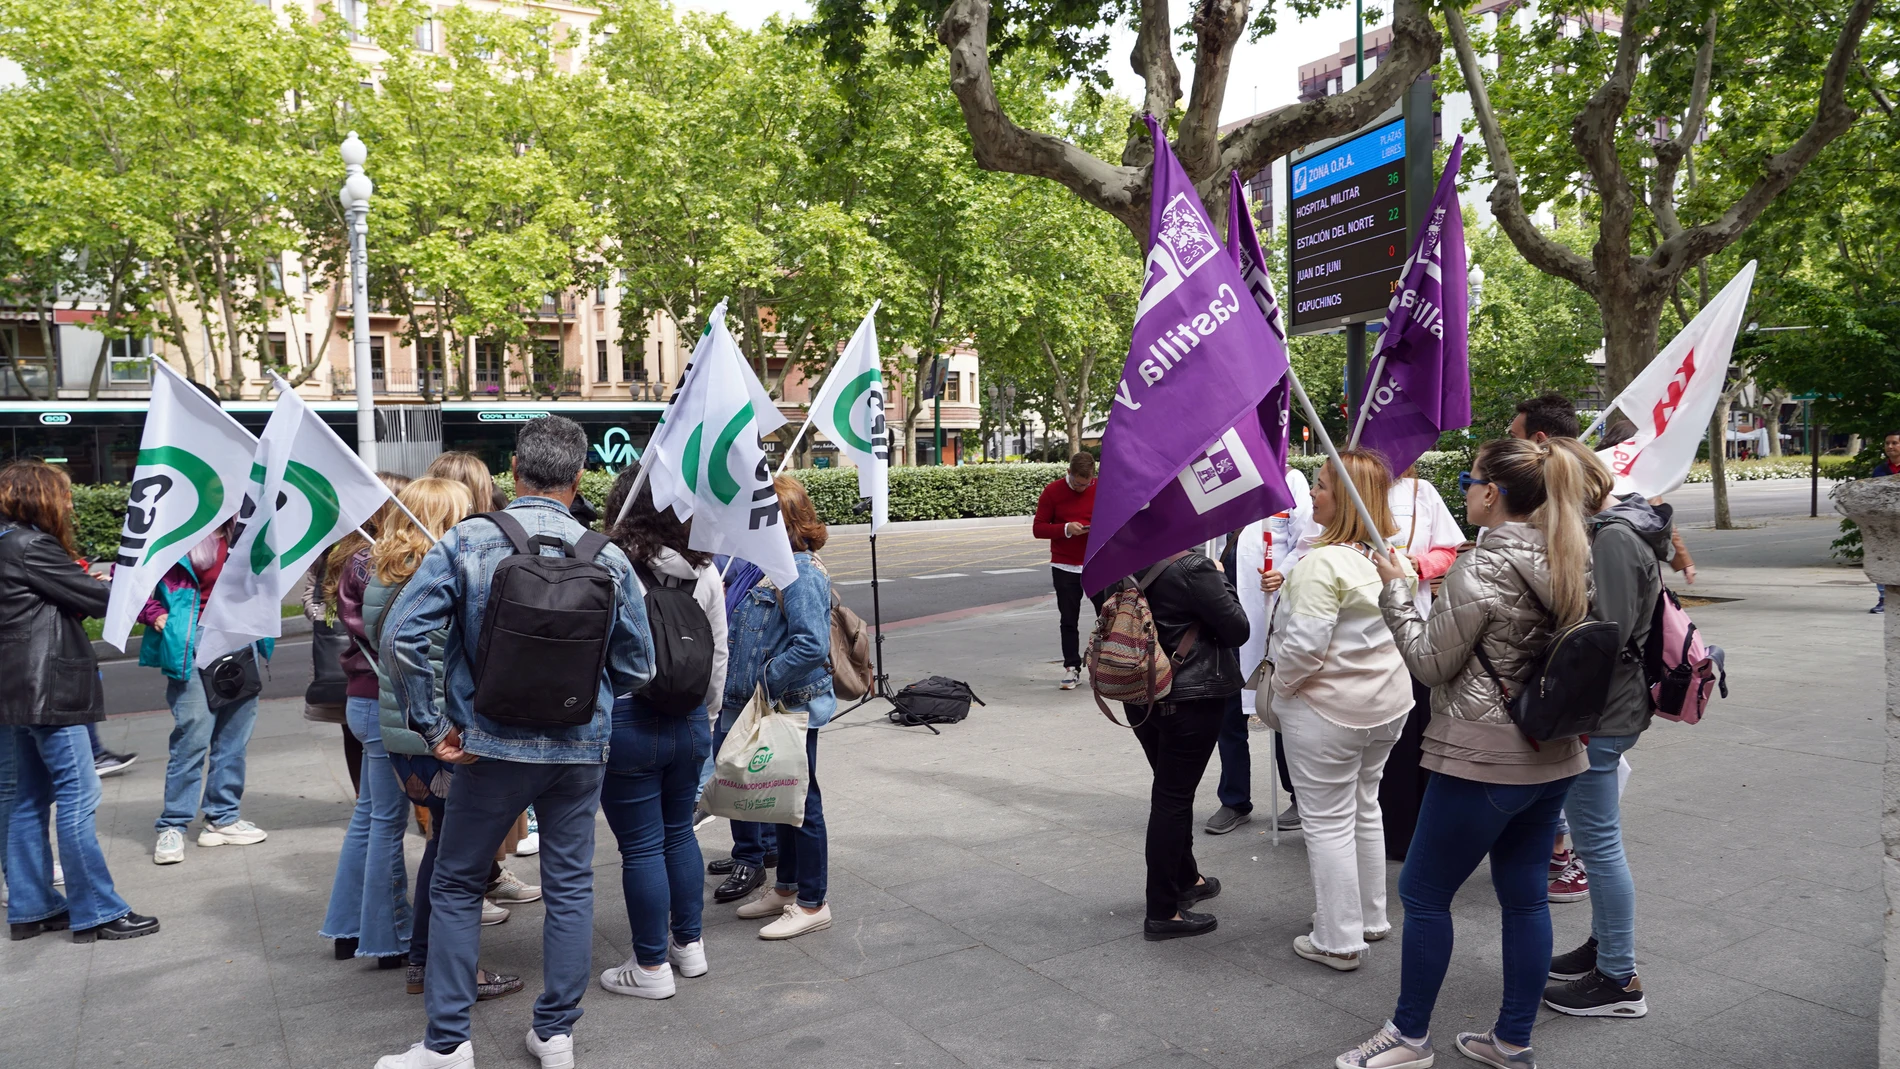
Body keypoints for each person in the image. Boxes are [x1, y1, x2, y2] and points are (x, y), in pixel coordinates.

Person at [374, 416, 653, 1069]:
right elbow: (640, 667)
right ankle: (555, 1033)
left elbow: (401, 639)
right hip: (580, 750)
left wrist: (433, 723)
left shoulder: (471, 541)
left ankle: (447, 1043)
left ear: (514, 471)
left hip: (486, 746)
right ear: (579, 477)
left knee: (455, 883)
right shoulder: (605, 555)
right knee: (571, 884)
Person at [1337, 437, 1592, 1069]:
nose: (1465, 488)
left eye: (1469, 479)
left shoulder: (1481, 567)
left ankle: (1409, 1037)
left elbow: (1429, 663)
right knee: (1527, 898)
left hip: (1482, 756)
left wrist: (1395, 590)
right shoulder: (1571, 558)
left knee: (1424, 895)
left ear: (1493, 493)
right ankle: (1510, 1041)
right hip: (1554, 754)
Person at [360, 477, 522, 1002]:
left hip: (401, 740)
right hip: (443, 737)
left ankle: (423, 961)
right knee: (459, 861)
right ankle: (453, 970)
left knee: (442, 849)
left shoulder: (384, 575)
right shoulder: (435, 578)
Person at [1539, 439, 1672, 1019]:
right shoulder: (1619, 527)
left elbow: (1606, 639)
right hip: (1608, 709)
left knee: (1600, 848)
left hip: (1605, 712)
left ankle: (1619, 978)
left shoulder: (1614, 536)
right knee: (1599, 843)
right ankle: (1605, 949)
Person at [0, 461, 160, 943]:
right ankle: (97, 910)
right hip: (49, 690)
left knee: (27, 799)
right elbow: (97, 598)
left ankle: (31, 906)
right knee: (77, 795)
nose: (68, 503)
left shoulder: (6, 543)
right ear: (41, 498)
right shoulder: (31, 546)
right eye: (63, 495)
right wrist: (134, 581)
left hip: (17, 691)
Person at [1269, 451, 1416, 972]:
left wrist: (1280, 690)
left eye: (1322, 485)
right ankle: (1370, 918)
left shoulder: (1320, 563)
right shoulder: (1393, 560)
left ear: (1350, 499)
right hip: (1387, 707)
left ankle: (1337, 938)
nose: (1313, 493)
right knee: (1365, 807)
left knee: (1327, 822)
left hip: (1326, 711)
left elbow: (1303, 648)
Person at [596, 471, 728, 997]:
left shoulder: (607, 565)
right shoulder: (705, 571)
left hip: (629, 719)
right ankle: (688, 946)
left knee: (642, 847)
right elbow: (717, 653)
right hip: (690, 721)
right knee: (679, 832)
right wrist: (708, 718)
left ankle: (650, 967)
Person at [724, 476, 837, 940]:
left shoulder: (800, 571)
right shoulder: (775, 566)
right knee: (782, 801)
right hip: (775, 705)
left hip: (790, 704)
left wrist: (763, 683)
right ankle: (787, 889)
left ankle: (813, 902)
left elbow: (810, 645)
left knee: (803, 804)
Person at [1119, 543, 1249, 941]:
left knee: (1173, 792)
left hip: (1140, 694)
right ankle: (1162, 911)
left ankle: (1185, 879)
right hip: (1189, 696)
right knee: (1173, 799)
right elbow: (1237, 629)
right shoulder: (1194, 566)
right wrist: (1219, 574)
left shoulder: (1119, 559)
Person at [321, 473, 419, 968]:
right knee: (385, 821)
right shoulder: (380, 561)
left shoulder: (353, 559)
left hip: (360, 697)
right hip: (382, 698)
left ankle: (347, 926)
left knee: (370, 817)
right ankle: (388, 935)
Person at [139, 520, 272, 866]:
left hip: (239, 636)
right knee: (193, 735)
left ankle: (222, 817)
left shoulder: (244, 528)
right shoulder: (172, 528)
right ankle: (173, 824)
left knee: (235, 734)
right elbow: (129, 579)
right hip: (191, 640)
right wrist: (155, 614)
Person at [1208, 465, 1315, 835]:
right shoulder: (1224, 477)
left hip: (1270, 610)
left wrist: (1285, 570)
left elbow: (1308, 538)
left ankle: (1299, 795)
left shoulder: (1290, 479)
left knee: (1279, 706)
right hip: (1226, 609)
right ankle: (1234, 799)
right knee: (1228, 709)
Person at [1376, 464, 1467, 859]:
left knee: (1415, 733)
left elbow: (1448, 551)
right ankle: (1375, 830)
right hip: (1365, 636)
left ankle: (1415, 830)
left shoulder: (1422, 491)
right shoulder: (1351, 488)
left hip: (1414, 628)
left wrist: (1418, 566)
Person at [1033, 452, 1102, 690]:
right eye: (1077, 483)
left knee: (1108, 617)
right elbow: (1038, 528)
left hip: (1096, 561)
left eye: (1087, 483)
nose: (1082, 488)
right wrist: (1066, 529)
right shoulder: (1052, 491)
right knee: (1068, 619)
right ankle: (1072, 668)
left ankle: (1107, 666)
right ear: (1069, 473)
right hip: (1064, 564)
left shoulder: (1100, 487)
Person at [1870, 432, 1900, 613]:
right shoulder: (1880, 471)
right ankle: (1884, 598)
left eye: (1894, 443)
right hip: (1886, 524)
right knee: (1883, 559)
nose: (1890, 447)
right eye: (1887, 443)